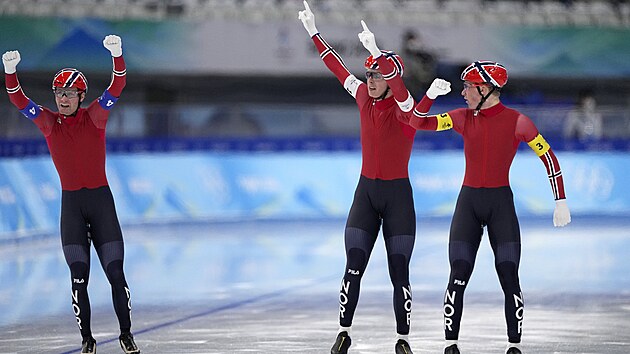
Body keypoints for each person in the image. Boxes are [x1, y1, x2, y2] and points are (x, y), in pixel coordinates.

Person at [400, 61, 572, 354]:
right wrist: (428, 96)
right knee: (458, 274)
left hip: (499, 204)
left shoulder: (518, 122)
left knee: (508, 276)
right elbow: (415, 122)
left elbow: (550, 159)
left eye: (468, 86)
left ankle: (514, 346)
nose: (463, 92)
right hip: (469, 203)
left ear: (484, 88)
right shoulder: (461, 117)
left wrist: (561, 200)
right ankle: (450, 345)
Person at [298, 1, 434, 352]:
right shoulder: (362, 96)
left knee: (398, 272)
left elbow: (403, 94)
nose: (370, 81)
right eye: (369, 75)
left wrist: (380, 56)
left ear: (391, 80)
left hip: (397, 197)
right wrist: (314, 31)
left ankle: (402, 339)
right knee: (353, 266)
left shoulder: (407, 110)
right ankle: (342, 332)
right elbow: (336, 67)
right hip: (366, 194)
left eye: (377, 76)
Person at [3, 35, 140, 354]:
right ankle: (88, 340)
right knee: (79, 277)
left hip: (100, 203)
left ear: (81, 95)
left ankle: (126, 334)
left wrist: (117, 55)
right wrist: (10, 72)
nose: (62, 99)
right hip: (73, 209)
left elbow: (117, 85)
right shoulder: (49, 124)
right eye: (58, 93)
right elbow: (19, 101)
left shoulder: (95, 116)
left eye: (68, 93)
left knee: (115, 274)